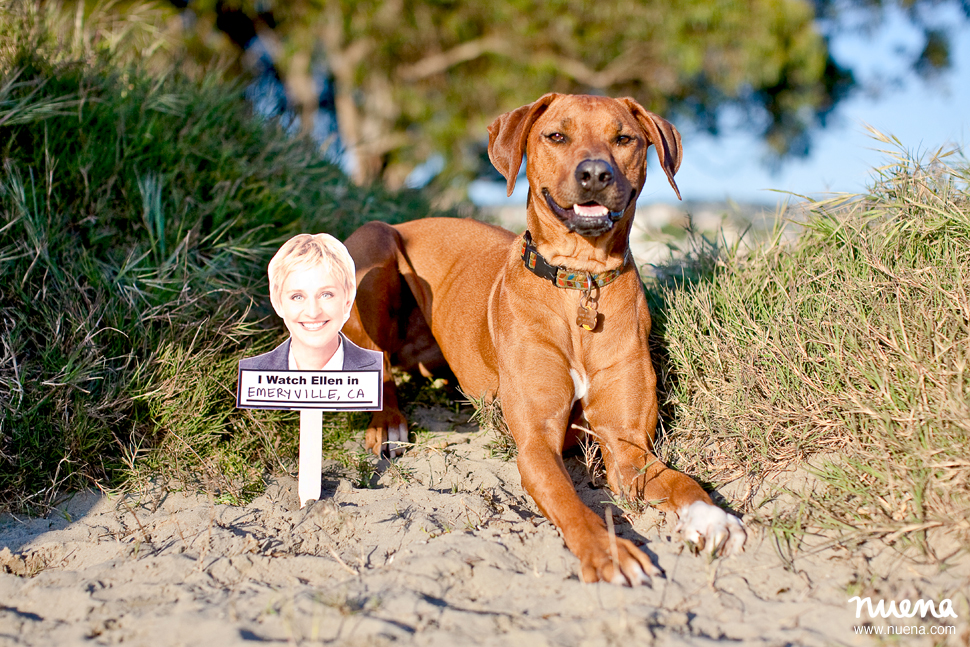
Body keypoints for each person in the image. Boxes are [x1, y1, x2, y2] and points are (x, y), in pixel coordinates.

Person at [239, 233, 381, 372]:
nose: (313, 313)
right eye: (297, 297)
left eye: (326, 295)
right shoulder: (254, 373)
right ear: (278, 302)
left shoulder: (372, 371)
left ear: (348, 300)